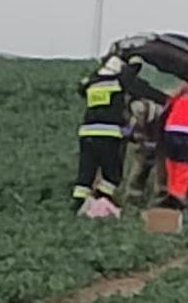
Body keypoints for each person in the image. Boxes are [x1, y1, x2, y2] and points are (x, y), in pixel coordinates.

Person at [72, 54, 168, 213]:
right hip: (108, 134)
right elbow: (136, 74)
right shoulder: (119, 81)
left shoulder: (92, 83)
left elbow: (81, 88)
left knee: (86, 171)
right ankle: (103, 198)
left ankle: (78, 203)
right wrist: (135, 57)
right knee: (112, 173)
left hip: (87, 133)